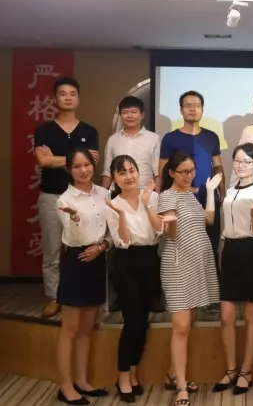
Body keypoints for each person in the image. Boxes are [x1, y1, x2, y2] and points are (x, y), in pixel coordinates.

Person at [157, 151, 221, 406]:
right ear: (171, 172)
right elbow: (171, 235)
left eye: (192, 171)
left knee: (189, 320)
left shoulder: (190, 195)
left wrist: (210, 192)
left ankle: (173, 374)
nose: (188, 175)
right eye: (183, 171)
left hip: (198, 263)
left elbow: (209, 219)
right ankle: (181, 388)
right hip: (178, 264)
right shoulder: (167, 196)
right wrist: (170, 221)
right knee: (181, 326)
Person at [34, 77, 100, 318]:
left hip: (82, 197)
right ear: (55, 99)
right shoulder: (44, 130)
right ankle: (53, 297)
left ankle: (80, 294)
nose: (68, 97)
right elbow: (42, 161)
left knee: (81, 247)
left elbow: (91, 163)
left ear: (78, 98)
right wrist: (75, 159)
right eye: (62, 94)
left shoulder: (89, 131)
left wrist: (57, 159)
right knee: (52, 250)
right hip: (51, 196)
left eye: (72, 93)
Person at [104, 155, 164, 402]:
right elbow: (123, 242)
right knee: (131, 320)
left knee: (143, 320)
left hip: (150, 259)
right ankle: (122, 377)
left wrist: (147, 204)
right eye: (122, 173)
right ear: (114, 178)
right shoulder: (112, 204)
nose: (128, 176)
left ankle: (133, 372)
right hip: (126, 262)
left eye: (132, 170)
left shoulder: (152, 197)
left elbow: (159, 230)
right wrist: (121, 215)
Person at [213, 143, 253, 396]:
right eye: (237, 160)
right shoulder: (230, 190)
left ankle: (246, 371)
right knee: (226, 315)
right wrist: (221, 251)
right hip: (229, 251)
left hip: (250, 251)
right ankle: (230, 369)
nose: (240, 165)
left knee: (250, 316)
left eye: (246, 161)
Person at [55, 148, 110, 405]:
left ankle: (82, 380)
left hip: (97, 259)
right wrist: (75, 217)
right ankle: (66, 386)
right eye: (77, 166)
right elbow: (73, 237)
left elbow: (110, 231)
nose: (83, 170)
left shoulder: (104, 194)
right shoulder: (64, 200)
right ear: (69, 170)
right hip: (76, 261)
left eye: (86, 164)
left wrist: (102, 247)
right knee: (70, 329)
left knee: (87, 328)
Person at [102, 95, 162, 314]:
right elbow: (107, 172)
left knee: (150, 246)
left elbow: (157, 171)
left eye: (133, 111)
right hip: (121, 196)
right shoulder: (113, 140)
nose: (129, 115)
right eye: (125, 112)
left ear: (142, 114)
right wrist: (103, 197)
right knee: (121, 245)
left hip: (145, 196)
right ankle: (121, 295)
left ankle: (154, 296)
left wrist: (154, 197)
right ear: (120, 115)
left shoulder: (153, 138)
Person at [158, 91, 225, 289]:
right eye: (188, 105)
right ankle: (184, 287)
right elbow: (162, 170)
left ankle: (208, 290)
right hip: (180, 200)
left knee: (210, 243)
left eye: (197, 105)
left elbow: (218, 166)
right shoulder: (170, 138)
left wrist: (222, 192)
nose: (192, 109)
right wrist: (160, 196)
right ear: (181, 110)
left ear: (202, 109)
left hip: (208, 197)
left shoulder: (211, 137)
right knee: (182, 243)